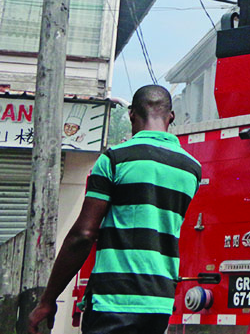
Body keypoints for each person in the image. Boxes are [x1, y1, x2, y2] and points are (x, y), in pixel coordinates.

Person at [28, 85, 201, 334]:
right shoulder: (191, 168)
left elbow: (83, 235)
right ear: (171, 117)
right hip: (159, 302)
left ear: (131, 115)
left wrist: (48, 299)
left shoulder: (115, 159)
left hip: (113, 299)